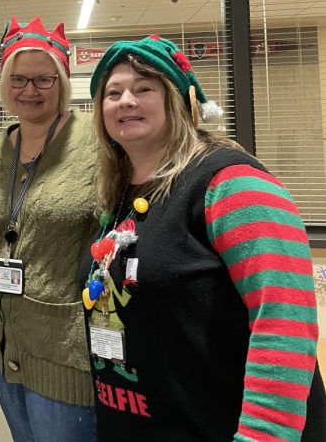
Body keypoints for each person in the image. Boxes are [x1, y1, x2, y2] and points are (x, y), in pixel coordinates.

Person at [84, 34, 326, 441]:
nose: (126, 100)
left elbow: (285, 321)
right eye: (113, 92)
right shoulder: (121, 192)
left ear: (179, 101)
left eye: (144, 88)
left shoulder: (232, 184)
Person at [0, 16, 98, 442]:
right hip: (2, 342)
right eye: (19, 79)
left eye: (43, 79)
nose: (30, 91)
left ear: (62, 81)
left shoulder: (95, 142)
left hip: (63, 348)